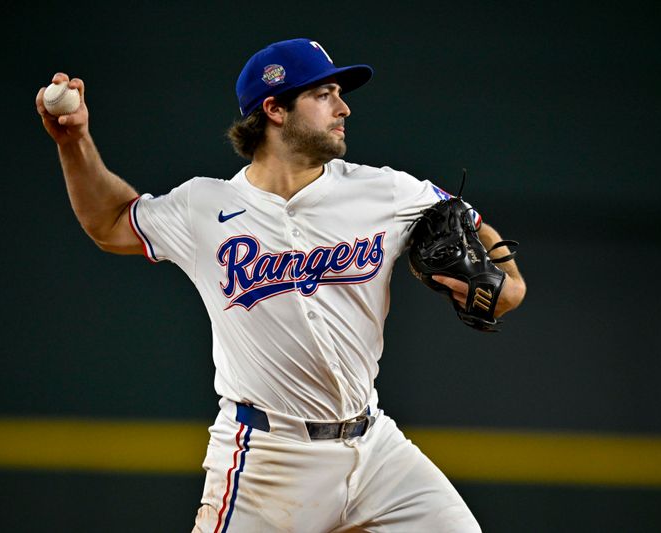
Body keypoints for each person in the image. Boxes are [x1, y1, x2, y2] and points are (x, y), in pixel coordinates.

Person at [36, 37, 526, 533]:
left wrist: (510, 281)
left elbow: (462, 215)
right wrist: (73, 142)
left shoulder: (385, 189)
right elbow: (112, 220)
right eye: (324, 94)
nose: (344, 107)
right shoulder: (204, 206)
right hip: (268, 460)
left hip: (376, 448)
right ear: (274, 108)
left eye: (340, 93)